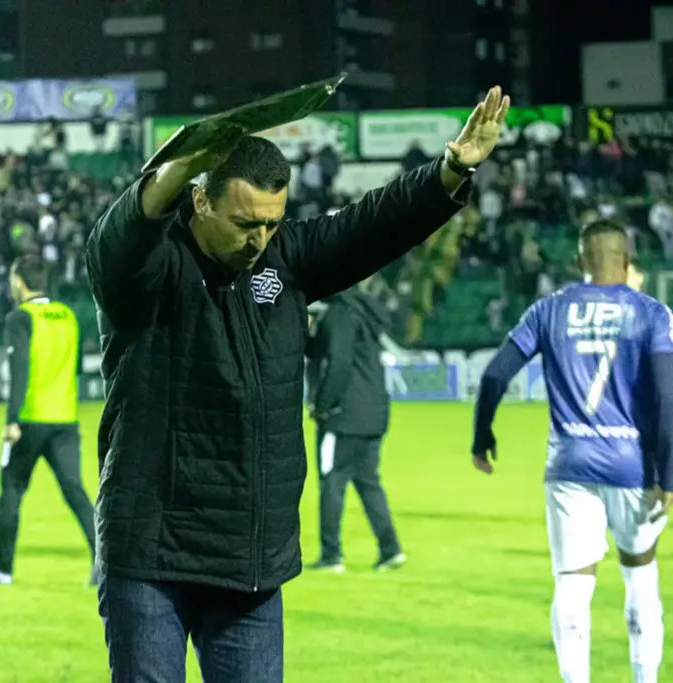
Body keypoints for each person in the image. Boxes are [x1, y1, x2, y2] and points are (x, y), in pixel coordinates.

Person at [86, 86, 510, 682]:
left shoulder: (285, 261)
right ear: (200, 200)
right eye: (245, 223)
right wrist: (177, 165)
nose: (259, 239)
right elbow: (117, 242)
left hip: (252, 561)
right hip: (153, 554)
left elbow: (372, 226)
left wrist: (451, 171)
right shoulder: (150, 270)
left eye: (271, 222)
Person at [471, 220, 673, 683]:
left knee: (572, 584)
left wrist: (482, 437)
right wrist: (670, 474)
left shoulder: (548, 310)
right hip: (634, 467)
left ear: (580, 260)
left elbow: (495, 376)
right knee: (640, 575)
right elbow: (666, 396)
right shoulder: (651, 313)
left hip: (569, 466)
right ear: (627, 261)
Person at [0, 256, 96, 586]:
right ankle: (104, 564)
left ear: (19, 281)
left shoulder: (20, 318)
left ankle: (3, 569)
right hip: (65, 419)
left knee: (11, 488)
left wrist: (12, 420)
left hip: (29, 419)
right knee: (76, 492)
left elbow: (19, 370)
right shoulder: (68, 316)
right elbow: (78, 367)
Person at [304, 283, 403, 573]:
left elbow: (338, 362)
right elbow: (322, 349)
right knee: (368, 482)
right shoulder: (365, 315)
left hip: (344, 415)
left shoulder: (339, 315)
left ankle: (331, 555)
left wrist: (322, 406)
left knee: (331, 481)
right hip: (375, 413)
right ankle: (390, 549)